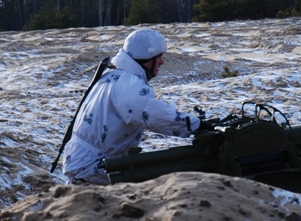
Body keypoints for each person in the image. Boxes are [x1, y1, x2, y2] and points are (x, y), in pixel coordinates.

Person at [61, 28, 200, 184]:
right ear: (146, 57)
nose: (162, 62)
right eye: (159, 57)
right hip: (95, 166)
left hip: (85, 161)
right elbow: (151, 113)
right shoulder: (128, 82)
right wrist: (195, 125)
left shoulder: (114, 75)